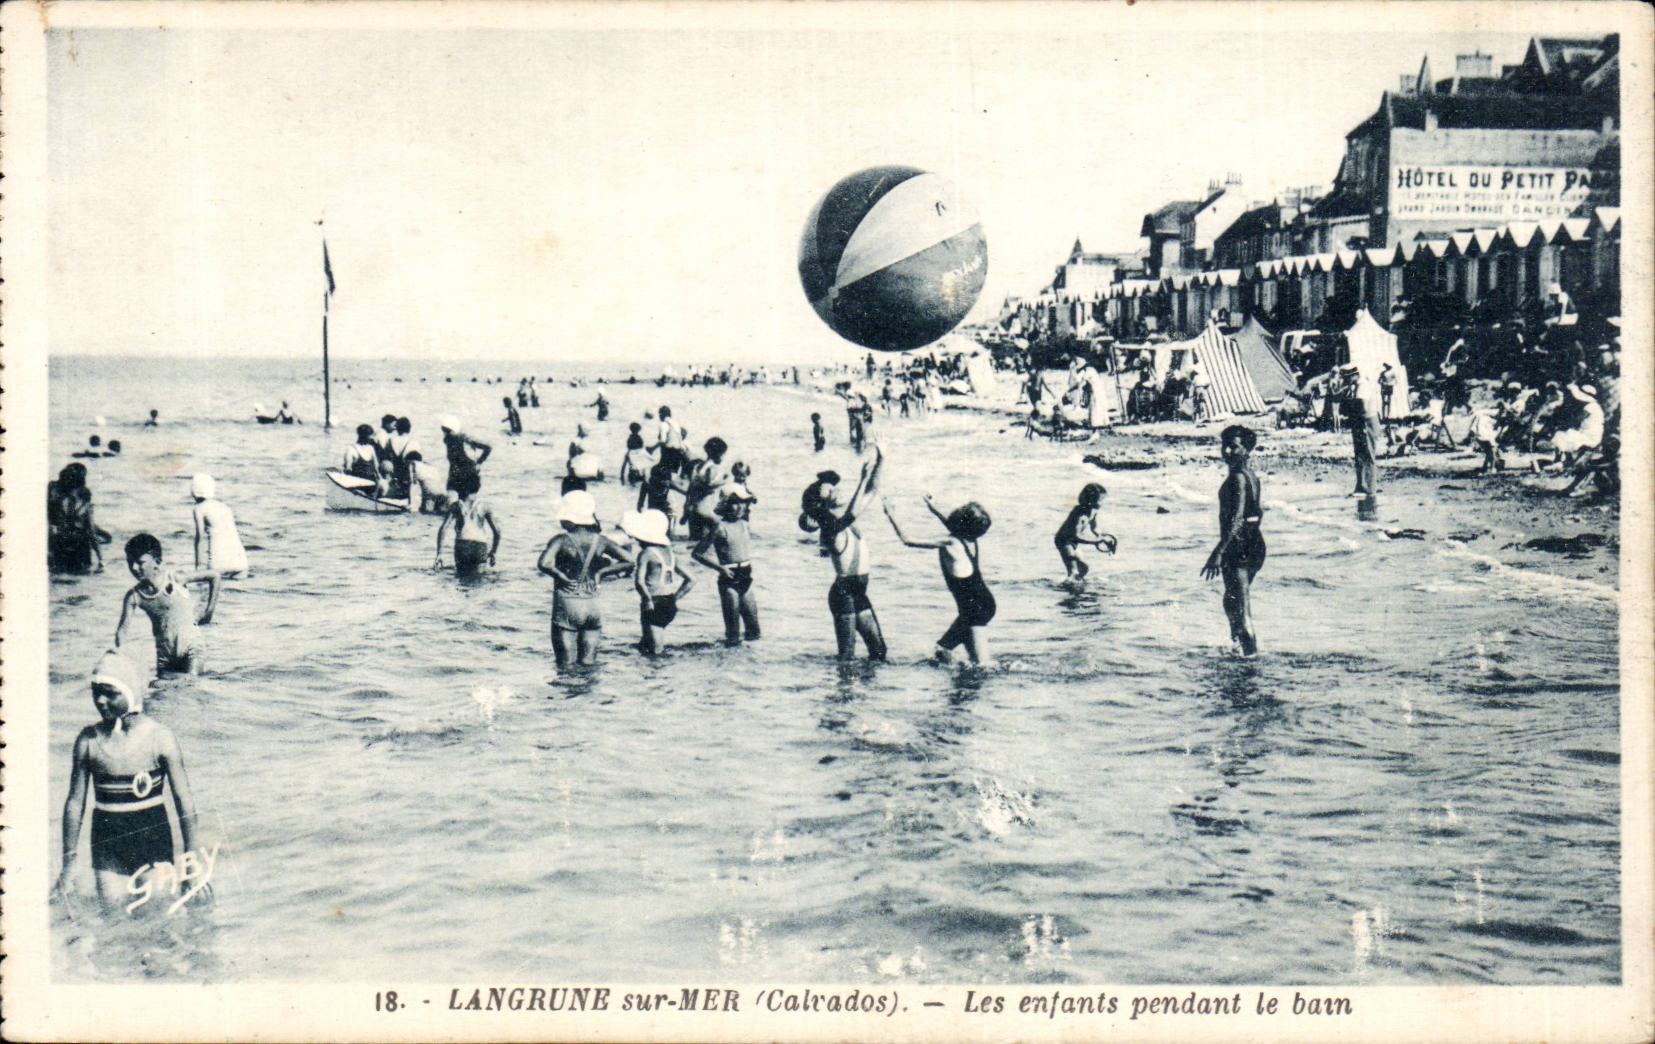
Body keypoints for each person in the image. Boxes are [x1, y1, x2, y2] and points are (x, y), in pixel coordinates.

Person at [55, 650, 204, 915]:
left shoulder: (159, 738)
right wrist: (68, 865)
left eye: (110, 693)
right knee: (113, 920)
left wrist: (191, 863)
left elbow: (185, 803)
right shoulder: (89, 741)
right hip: (107, 849)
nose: (100, 701)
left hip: (153, 844)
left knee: (159, 917)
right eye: (95, 692)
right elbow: (74, 804)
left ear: (131, 691)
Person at [884, 495, 996, 666]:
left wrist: (890, 513)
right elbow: (949, 522)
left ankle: (975, 677)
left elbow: (908, 540)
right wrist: (933, 507)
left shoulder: (950, 543)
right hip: (980, 604)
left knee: (984, 665)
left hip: (975, 610)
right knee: (943, 650)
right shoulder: (969, 539)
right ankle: (963, 675)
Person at [799, 448, 886, 661]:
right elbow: (852, 513)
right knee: (847, 657)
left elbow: (873, 490)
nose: (836, 491)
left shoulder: (840, 520)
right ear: (821, 503)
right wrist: (862, 478)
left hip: (858, 590)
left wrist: (881, 460)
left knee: (879, 651)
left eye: (834, 488)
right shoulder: (829, 527)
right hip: (844, 593)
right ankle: (843, 693)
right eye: (830, 491)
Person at [537, 490, 634, 667]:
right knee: (589, 664)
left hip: (568, 602)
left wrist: (561, 576)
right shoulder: (601, 540)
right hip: (592, 604)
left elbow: (544, 563)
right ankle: (589, 694)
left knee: (565, 666)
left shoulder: (561, 540)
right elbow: (629, 561)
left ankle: (567, 694)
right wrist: (601, 573)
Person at [1201, 425, 1264, 657]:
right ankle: (1239, 649)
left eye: (1234, 446)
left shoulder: (1237, 478)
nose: (1227, 451)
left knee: (1241, 606)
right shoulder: (1251, 476)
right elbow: (1258, 513)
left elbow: (1236, 520)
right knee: (1231, 599)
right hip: (1252, 543)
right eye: (1224, 445)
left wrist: (1218, 553)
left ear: (1247, 450)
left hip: (1239, 546)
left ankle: (1250, 660)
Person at [115, 534, 218, 674]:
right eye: (130, 562)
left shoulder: (174, 579)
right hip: (165, 657)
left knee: (191, 685)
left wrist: (208, 612)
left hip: (192, 649)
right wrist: (122, 657)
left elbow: (214, 576)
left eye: (140, 562)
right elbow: (122, 631)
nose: (134, 567)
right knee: (161, 694)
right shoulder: (135, 596)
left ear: (157, 561)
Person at [693, 486, 760, 646]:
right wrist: (720, 568)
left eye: (743, 503)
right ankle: (729, 664)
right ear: (726, 505)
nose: (739, 508)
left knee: (754, 630)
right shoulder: (720, 527)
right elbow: (698, 553)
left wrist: (751, 497)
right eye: (734, 503)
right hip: (729, 578)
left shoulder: (744, 524)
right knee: (733, 632)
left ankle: (751, 663)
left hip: (746, 576)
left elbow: (752, 502)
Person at [623, 509, 694, 655]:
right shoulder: (669, 553)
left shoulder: (647, 553)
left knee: (656, 651)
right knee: (648, 643)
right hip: (669, 603)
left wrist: (647, 599)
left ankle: (657, 674)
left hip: (653, 603)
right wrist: (675, 598)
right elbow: (691, 579)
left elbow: (639, 582)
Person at [434, 471, 500, 578]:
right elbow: (497, 531)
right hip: (480, 545)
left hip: (462, 545)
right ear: (478, 486)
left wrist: (439, 554)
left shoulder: (456, 505)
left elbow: (443, 529)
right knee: (479, 581)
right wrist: (493, 551)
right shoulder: (484, 505)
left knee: (462, 580)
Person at [48, 462, 108, 574]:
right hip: (77, 548)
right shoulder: (83, 499)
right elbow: (91, 531)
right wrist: (101, 560)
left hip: (62, 547)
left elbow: (90, 529)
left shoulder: (54, 496)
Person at [1054, 482, 1117, 580]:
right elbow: (1077, 535)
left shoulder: (1093, 511)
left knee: (1084, 568)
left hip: (1073, 541)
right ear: (1091, 500)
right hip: (1064, 541)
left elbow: (1094, 528)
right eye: (1101, 500)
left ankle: (1077, 584)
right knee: (1073, 569)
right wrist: (1098, 541)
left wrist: (1102, 537)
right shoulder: (1080, 514)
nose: (1102, 503)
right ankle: (1071, 585)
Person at [190, 474, 248, 579]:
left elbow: (200, 538)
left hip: (219, 562)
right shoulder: (224, 507)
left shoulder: (199, 508)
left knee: (207, 590)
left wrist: (198, 567)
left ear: (193, 491)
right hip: (240, 560)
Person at [686, 437, 733, 542]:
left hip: (693, 509)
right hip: (705, 509)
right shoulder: (713, 468)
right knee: (707, 542)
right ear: (720, 454)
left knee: (694, 541)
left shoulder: (697, 466)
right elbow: (709, 484)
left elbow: (691, 488)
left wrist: (686, 509)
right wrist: (725, 480)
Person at [439, 416, 492, 498]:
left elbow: (488, 447)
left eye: (447, 431)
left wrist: (479, 462)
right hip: (459, 476)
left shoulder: (464, 438)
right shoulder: (449, 439)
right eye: (444, 431)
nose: (445, 433)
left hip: (466, 476)